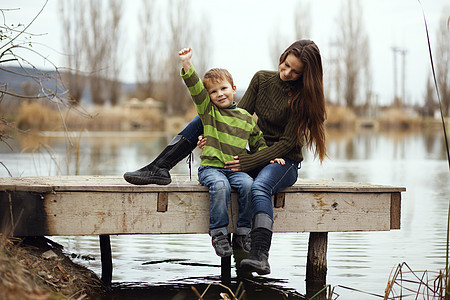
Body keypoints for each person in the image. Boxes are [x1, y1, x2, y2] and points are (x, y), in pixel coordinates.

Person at [124, 40, 327, 274]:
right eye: (285, 64)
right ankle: (160, 167)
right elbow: (236, 116)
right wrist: (212, 135)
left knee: (259, 187)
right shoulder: (262, 79)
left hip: (283, 161)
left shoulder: (302, 98)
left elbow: (287, 143)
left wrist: (249, 162)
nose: (286, 72)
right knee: (206, 116)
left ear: (305, 75)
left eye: (295, 71)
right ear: (283, 56)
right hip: (252, 152)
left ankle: (260, 255)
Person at [177, 47, 284, 257]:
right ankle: (219, 233)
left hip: (236, 170)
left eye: (223, 88)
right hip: (212, 169)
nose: (219, 94)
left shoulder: (245, 117)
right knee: (220, 185)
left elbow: (258, 144)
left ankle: (244, 232)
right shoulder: (210, 112)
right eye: (213, 92)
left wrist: (271, 157)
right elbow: (195, 89)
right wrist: (187, 64)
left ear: (233, 88)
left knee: (248, 185)